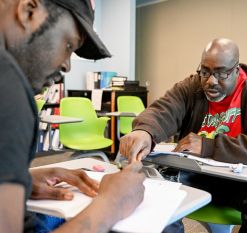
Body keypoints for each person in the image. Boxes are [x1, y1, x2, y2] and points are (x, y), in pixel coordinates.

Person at [0, 0, 145, 232]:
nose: (67, 66)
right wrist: (112, 204)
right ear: (28, 10)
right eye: (69, 45)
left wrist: (23, 178)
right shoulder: (8, 86)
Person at [120, 38, 247, 233]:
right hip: (196, 173)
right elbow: (164, 109)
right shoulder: (192, 87)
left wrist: (208, 146)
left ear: (236, 70)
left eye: (221, 73)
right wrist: (145, 130)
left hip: (242, 180)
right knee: (154, 185)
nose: (211, 81)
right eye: (205, 71)